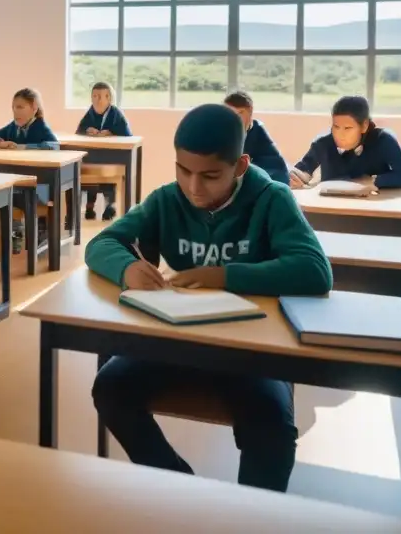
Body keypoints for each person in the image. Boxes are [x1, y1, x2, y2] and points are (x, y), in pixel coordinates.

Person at [86, 103, 332, 493]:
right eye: (183, 170)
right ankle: (183, 492)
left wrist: (224, 276)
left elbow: (315, 271)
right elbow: (102, 243)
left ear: (241, 165)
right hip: (181, 338)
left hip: (253, 349)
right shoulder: (167, 199)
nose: (193, 187)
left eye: (210, 175)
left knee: (270, 424)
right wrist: (126, 268)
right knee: (110, 388)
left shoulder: (272, 199)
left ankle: (249, 516)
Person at [0, 87, 58, 253]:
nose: (16, 111)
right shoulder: (12, 127)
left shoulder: (40, 127)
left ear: (34, 108)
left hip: (40, 186)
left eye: (21, 107)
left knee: (20, 196)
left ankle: (40, 228)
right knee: (7, 194)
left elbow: (53, 146)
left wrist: (22, 147)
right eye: (14, 107)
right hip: (19, 184)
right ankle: (16, 232)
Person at [290, 95, 401, 190]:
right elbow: (303, 171)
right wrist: (295, 178)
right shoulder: (323, 143)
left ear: (364, 126)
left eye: (347, 128)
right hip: (333, 207)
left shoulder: (383, 140)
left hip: (374, 206)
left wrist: (372, 181)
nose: (340, 134)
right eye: (336, 127)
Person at [71, 81, 132, 223]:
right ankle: (89, 206)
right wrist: (87, 130)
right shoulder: (90, 113)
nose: (97, 100)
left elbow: (128, 135)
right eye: (94, 96)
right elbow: (78, 131)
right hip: (92, 155)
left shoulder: (116, 113)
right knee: (84, 170)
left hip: (111, 156)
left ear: (109, 98)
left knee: (106, 175)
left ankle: (110, 206)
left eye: (101, 96)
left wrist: (111, 133)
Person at [223, 91, 289, 184]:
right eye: (230, 113)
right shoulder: (219, 130)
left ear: (250, 111)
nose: (235, 118)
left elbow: (277, 167)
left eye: (240, 113)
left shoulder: (257, 130)